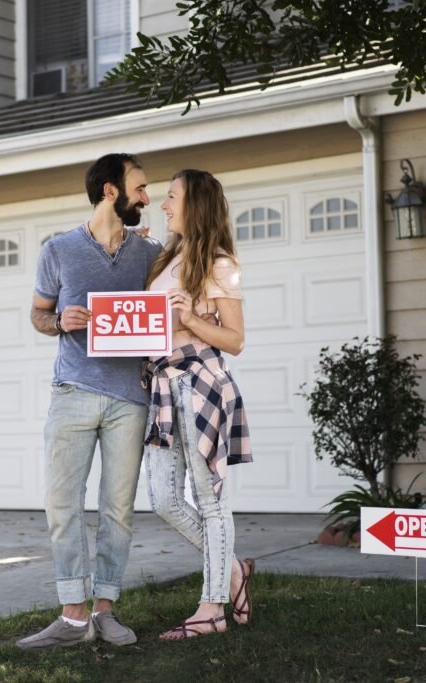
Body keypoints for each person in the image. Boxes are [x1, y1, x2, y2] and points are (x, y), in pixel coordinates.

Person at [18, 153, 162, 650]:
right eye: (140, 188)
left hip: (129, 399)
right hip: (73, 393)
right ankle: (72, 615)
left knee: (117, 509)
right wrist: (61, 322)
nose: (147, 197)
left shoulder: (150, 253)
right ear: (109, 190)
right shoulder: (58, 250)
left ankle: (105, 610)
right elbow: (38, 315)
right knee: (62, 504)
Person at [143, 169, 255, 640]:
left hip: (199, 384)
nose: (164, 205)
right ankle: (232, 571)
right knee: (165, 499)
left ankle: (210, 612)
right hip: (163, 386)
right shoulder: (169, 257)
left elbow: (235, 339)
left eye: (171, 197)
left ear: (195, 205)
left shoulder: (218, 263)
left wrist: (190, 318)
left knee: (210, 503)